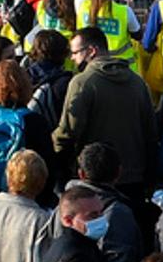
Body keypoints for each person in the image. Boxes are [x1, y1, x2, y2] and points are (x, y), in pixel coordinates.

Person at [52, 25, 156, 192]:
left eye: (76, 53)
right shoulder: (137, 82)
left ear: (92, 50)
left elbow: (69, 131)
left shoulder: (82, 82)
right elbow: (150, 132)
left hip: (95, 178)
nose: (72, 58)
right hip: (134, 176)